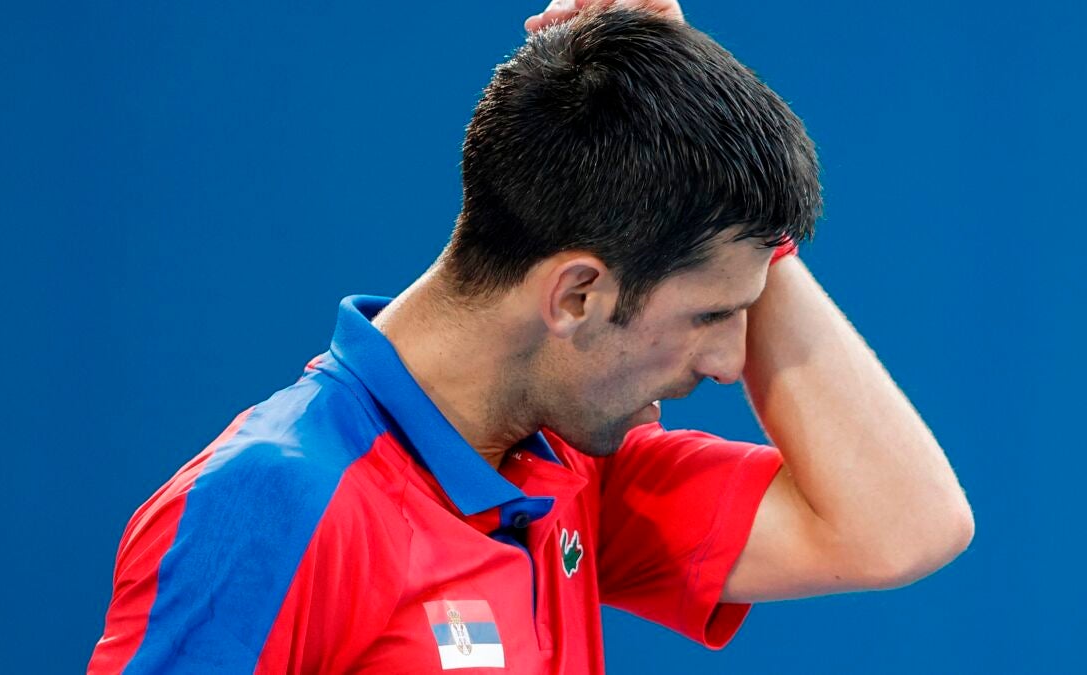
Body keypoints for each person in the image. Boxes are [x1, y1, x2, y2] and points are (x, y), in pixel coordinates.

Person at [88, 1, 974, 672]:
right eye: (710, 315)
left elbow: (902, 526)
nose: (729, 362)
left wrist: (709, 158)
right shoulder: (268, 503)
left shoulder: (574, 467)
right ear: (577, 295)